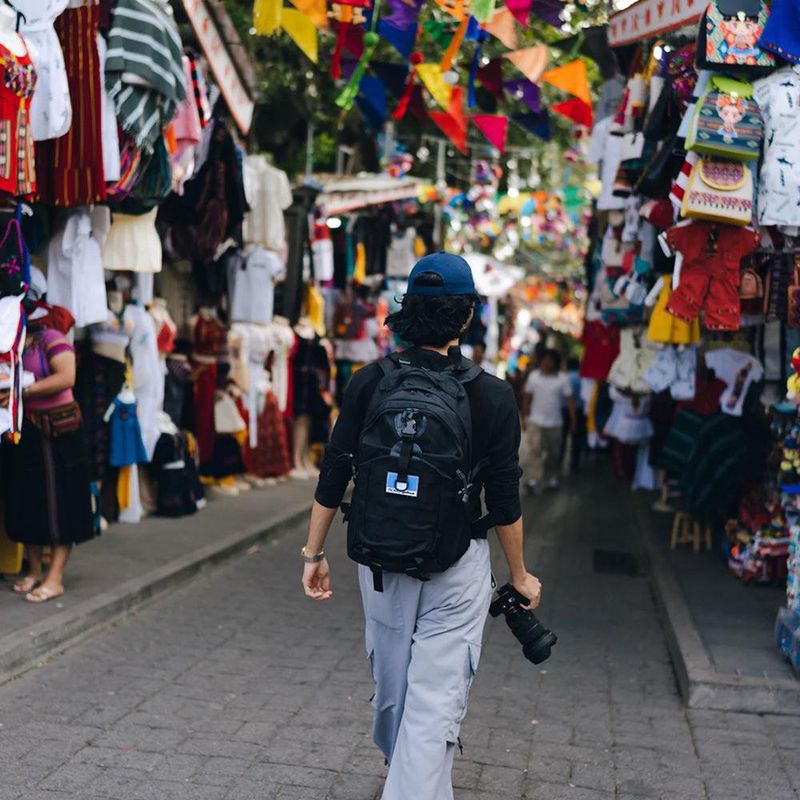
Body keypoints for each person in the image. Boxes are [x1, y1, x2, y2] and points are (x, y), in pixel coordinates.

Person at [300, 252, 541, 800]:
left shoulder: (368, 382)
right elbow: (504, 498)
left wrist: (314, 554)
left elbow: (335, 469)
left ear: (407, 311)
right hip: (457, 570)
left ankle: (407, 777)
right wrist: (521, 575)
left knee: (393, 696)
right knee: (432, 705)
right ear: (466, 317)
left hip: (382, 565)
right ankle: (415, 779)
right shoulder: (494, 395)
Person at [3, 320, 94, 603]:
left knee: (60, 504)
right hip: (24, 430)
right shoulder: (10, 342)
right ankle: (34, 569)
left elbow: (67, 377)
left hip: (59, 431)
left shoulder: (49, 338)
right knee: (27, 499)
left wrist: (22, 391)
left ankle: (55, 577)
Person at [523, 349, 576, 492]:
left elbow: (570, 401)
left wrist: (573, 421)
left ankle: (551, 477)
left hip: (554, 423)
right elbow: (527, 397)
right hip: (535, 421)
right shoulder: (534, 377)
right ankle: (534, 479)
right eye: (545, 359)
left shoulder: (562, 379)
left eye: (550, 360)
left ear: (556, 362)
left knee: (553, 454)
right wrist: (524, 417)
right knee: (534, 451)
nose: (547, 363)